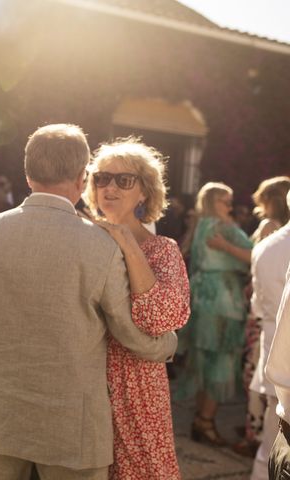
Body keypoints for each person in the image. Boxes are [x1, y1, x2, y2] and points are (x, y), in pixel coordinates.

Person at [0, 124, 177, 479]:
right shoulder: (101, 245)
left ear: (27, 175)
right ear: (80, 176)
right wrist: (168, 343)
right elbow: (128, 332)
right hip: (72, 420)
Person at [84, 138, 190, 479]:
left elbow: (162, 317)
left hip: (136, 385)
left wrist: (128, 242)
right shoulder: (79, 240)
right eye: (102, 178)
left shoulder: (162, 250)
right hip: (84, 379)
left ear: (144, 191)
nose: (109, 187)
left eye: (123, 180)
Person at [176, 182, 252, 446]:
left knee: (204, 360)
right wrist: (230, 249)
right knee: (221, 360)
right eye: (225, 202)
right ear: (212, 202)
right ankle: (205, 422)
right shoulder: (224, 228)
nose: (230, 207)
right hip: (223, 301)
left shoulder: (199, 225)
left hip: (203, 299)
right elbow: (257, 256)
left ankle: (201, 419)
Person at [236, 176, 290, 457]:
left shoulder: (267, 245)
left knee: (270, 446)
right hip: (279, 351)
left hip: (270, 344)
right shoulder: (272, 237)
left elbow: (257, 304)